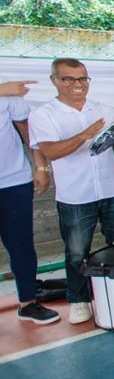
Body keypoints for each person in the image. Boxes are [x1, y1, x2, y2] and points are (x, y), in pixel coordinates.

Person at [29, 58, 114, 325]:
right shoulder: (43, 115)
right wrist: (84, 135)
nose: (78, 84)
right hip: (75, 195)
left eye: (83, 78)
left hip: (112, 189)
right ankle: (79, 300)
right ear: (54, 80)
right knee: (76, 252)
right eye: (69, 79)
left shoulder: (105, 110)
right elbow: (51, 151)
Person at [0, 80, 60, 324]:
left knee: (21, 244)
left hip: (14, 180)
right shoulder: (5, 88)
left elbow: (27, 131)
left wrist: (41, 167)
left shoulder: (8, 90)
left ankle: (28, 303)